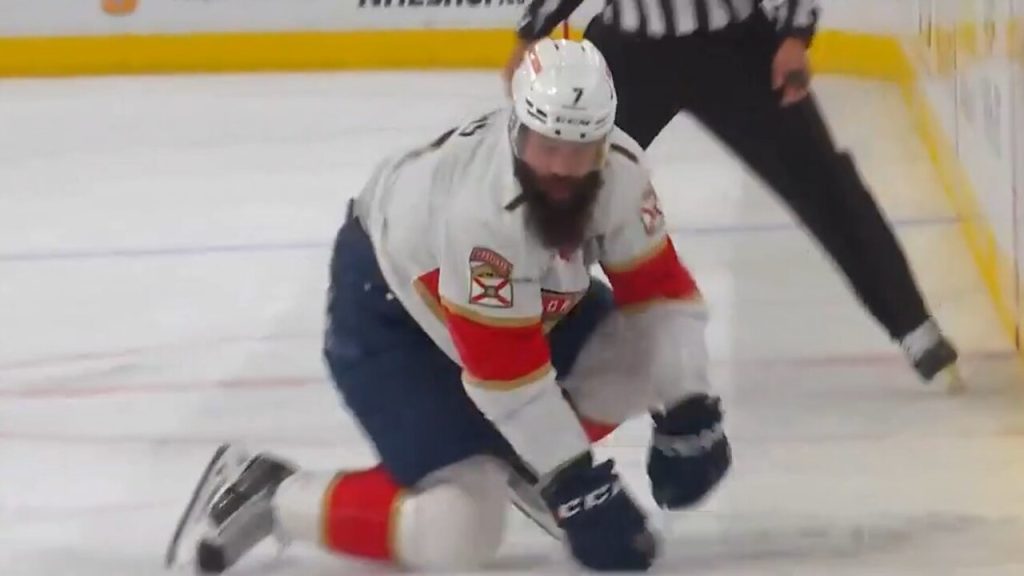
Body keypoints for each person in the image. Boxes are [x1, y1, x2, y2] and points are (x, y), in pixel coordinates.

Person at [165, 38, 731, 574]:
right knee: (457, 531)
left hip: (519, 311)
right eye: (546, 146)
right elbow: (508, 377)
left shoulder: (622, 176)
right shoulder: (483, 216)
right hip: (396, 320)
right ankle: (270, 493)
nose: (561, 168)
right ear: (517, 130)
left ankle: (524, 460)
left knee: (640, 359)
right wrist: (573, 482)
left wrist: (690, 410)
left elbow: (660, 296)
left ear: (606, 145)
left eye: (580, 150)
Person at [504, 0, 961, 386]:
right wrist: (532, 31)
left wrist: (795, 35)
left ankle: (913, 325)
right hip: (630, 51)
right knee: (554, 181)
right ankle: (511, 327)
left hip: (737, 49)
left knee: (824, 183)